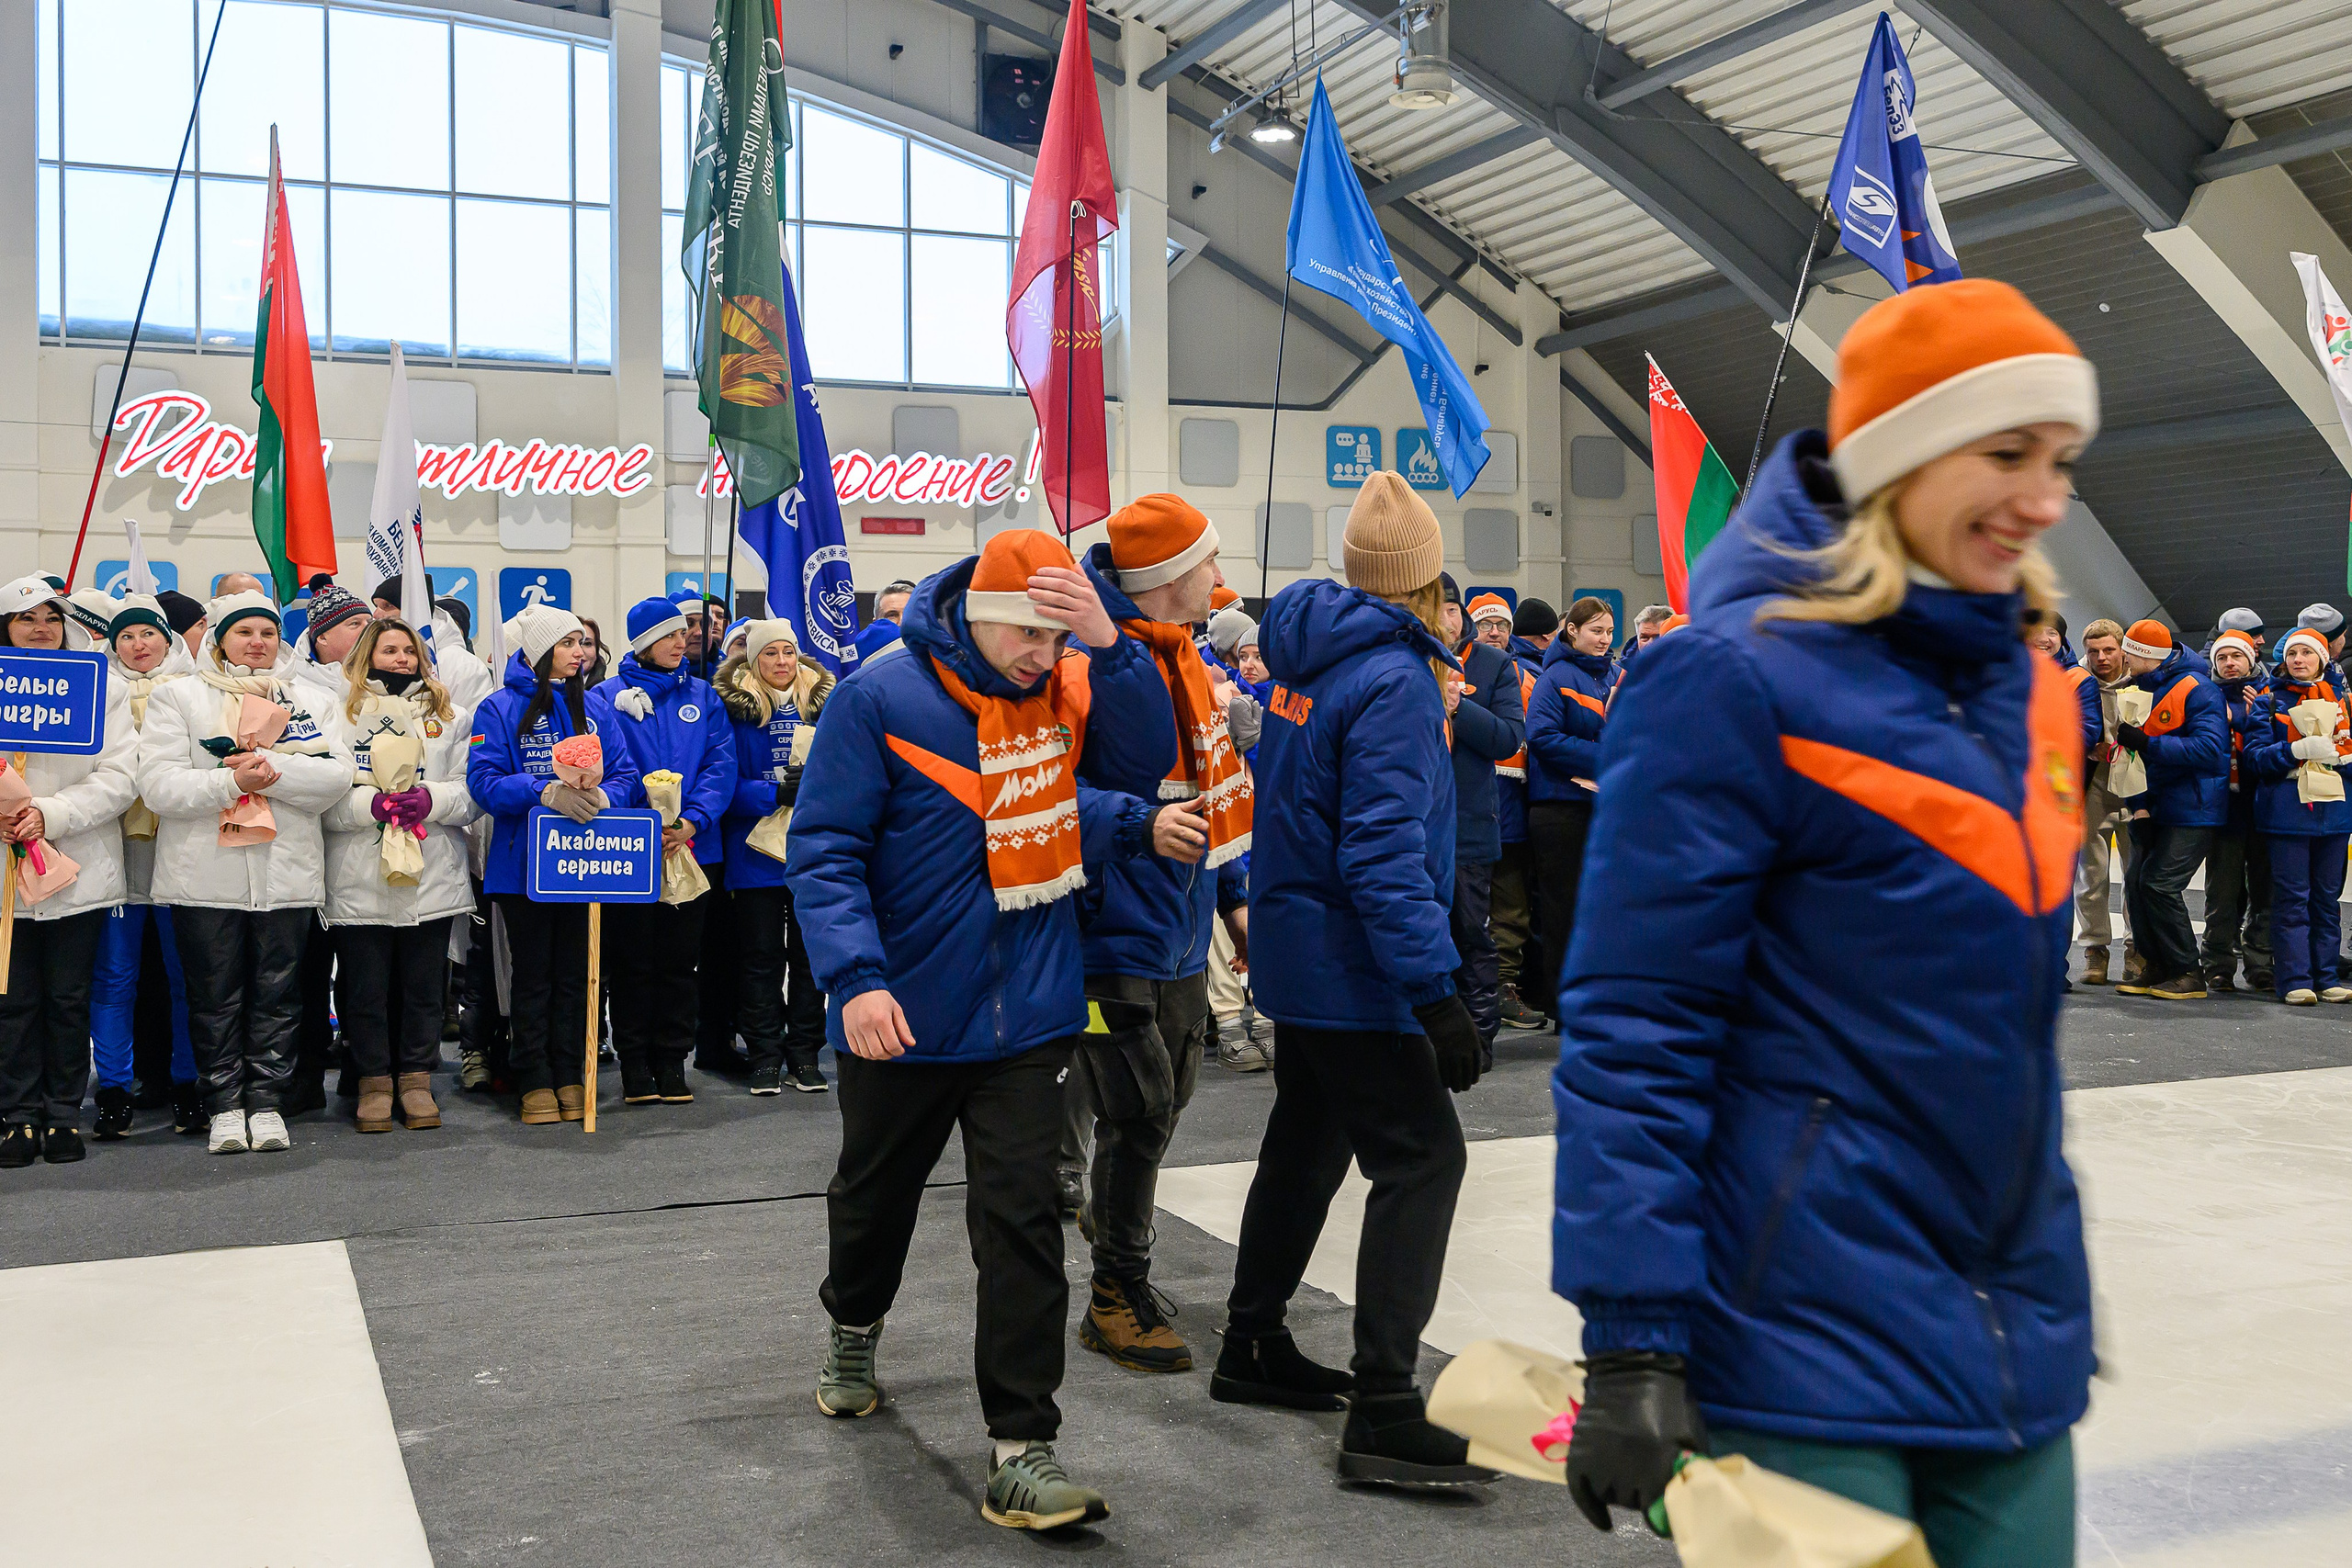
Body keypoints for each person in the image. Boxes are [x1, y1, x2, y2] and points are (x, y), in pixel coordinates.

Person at [1555, 277, 2097, 1564]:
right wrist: (1632, 1337)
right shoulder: (1729, 679)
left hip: (2014, 1327)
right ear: (1901, 457)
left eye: (2062, 461)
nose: (2044, 499)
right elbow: (1638, 1022)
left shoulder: (2035, 694)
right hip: (1798, 1334)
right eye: (2006, 454)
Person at [786, 529, 1178, 1530]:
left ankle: (1022, 1446)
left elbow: (1133, 763)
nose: (1046, 657)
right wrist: (856, 980)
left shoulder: (1058, 691)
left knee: (1023, 1225)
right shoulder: (879, 697)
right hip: (903, 1016)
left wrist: (1111, 648)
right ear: (980, 617)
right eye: (1031, 636)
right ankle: (853, 1321)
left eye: (1059, 639)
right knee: (873, 1201)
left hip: (1031, 1014)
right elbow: (825, 848)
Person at [1218, 471, 1494, 1489]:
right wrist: (1435, 991)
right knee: (1424, 1159)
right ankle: (1385, 1405)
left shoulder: (1311, 656)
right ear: (1425, 578)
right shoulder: (1392, 680)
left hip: (1304, 947)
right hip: (1355, 964)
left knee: (1306, 1144)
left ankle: (1251, 1340)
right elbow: (1381, 853)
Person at [1061, 496, 1251, 1378]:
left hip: (1177, 930)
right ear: (1170, 578)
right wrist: (1137, 824)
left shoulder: (1185, 658)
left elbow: (1213, 792)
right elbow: (1057, 785)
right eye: (1208, 563)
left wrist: (1235, 898)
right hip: (1108, 935)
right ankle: (1114, 1295)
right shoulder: (1094, 663)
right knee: (1138, 1112)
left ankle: (1117, 1244)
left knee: (1161, 1111)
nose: (1220, 578)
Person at [139, 591, 356, 1156]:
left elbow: (335, 778)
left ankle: (267, 1103)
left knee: (279, 996)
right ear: (219, 639)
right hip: (203, 878)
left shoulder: (313, 699)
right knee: (214, 998)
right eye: (244, 632)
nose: (257, 642)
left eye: (267, 632)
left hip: (287, 876)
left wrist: (270, 769)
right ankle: (225, 1107)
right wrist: (230, 783)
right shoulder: (179, 697)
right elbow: (159, 786)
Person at [467, 605, 641, 1124]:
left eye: (581, 643)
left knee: (578, 974)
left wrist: (604, 798)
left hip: (588, 862)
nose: (579, 652)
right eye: (567, 643)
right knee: (533, 975)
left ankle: (571, 1073)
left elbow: (627, 774)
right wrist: (543, 790)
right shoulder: (498, 708)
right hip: (523, 866)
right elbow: (483, 781)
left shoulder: (596, 707)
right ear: (540, 651)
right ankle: (534, 1076)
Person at [319, 616, 479, 1132]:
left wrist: (430, 800)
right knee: (364, 990)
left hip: (431, 874)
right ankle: (373, 1083)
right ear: (367, 654)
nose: (401, 659)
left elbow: (471, 789)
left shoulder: (450, 715)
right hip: (359, 872)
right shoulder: (337, 712)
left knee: (424, 988)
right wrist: (370, 805)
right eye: (389, 650)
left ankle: (415, 1080)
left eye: (409, 650)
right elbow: (323, 795)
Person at [0, 579, 137, 1166]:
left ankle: (62, 1114)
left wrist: (48, 814)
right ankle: (17, 1116)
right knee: (12, 1001)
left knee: (68, 998)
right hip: (5, 876)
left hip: (76, 870)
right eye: (25, 618)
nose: (40, 629)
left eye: (51, 618)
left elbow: (120, 776)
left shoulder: (101, 687)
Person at [587, 596, 735, 1106]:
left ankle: (672, 1061)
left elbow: (720, 764)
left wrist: (692, 820)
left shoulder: (703, 695)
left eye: (683, 632)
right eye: (670, 634)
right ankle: (635, 1064)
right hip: (629, 851)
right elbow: (605, 768)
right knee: (633, 962)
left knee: (679, 962)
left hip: (693, 848)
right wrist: (643, 823)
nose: (682, 640)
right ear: (644, 643)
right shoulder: (605, 698)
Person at [91, 593, 204, 1141]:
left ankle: (188, 1084)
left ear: (168, 637)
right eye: (127, 637)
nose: (139, 645)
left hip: (181, 857)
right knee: (115, 977)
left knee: (185, 978)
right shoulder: (97, 692)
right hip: (116, 857)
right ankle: (114, 1089)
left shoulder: (198, 690)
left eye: (149, 634)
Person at [716, 620, 832, 1094]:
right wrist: (772, 793)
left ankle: (805, 1053)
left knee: (809, 958)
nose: (781, 661)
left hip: (810, 850)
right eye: (770, 653)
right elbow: (722, 780)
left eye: (788, 651)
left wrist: (818, 786)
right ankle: (765, 1053)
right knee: (760, 958)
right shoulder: (733, 708)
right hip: (753, 852)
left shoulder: (823, 703)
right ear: (752, 659)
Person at [287, 575, 375, 1111]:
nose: (368, 630)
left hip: (361, 849)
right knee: (305, 971)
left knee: (362, 973)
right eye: (355, 623)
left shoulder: (385, 686)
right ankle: (303, 1075)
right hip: (300, 848)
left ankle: (363, 1071)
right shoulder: (292, 688)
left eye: (370, 621)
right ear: (321, 637)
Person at [2112, 619, 2229, 1001]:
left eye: (2128, 652)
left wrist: (2149, 743)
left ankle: (2187, 971)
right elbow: (2131, 759)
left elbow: (2210, 749)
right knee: (2136, 883)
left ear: (2146, 656)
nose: (2123, 659)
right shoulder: (2137, 690)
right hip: (2154, 805)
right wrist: (2139, 809)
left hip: (2194, 806)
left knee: (2160, 883)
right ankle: (2158, 965)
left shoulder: (2199, 689)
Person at [2245, 628, 2352, 1004]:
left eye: (2307, 653)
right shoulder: (2268, 700)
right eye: (2293, 653)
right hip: (2286, 814)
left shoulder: (2343, 701)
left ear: (2323, 658)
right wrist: (2293, 751)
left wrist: (2344, 757)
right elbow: (2254, 758)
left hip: (2335, 814)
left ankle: (2326, 976)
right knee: (2291, 900)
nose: (2298, 660)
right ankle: (2294, 979)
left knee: (2327, 900)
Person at [1522, 597, 1615, 1014]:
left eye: (1609, 631)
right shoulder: (1554, 678)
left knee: (1602, 910)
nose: (1604, 639)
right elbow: (1542, 738)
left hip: (1604, 808)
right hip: (1561, 810)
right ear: (1572, 631)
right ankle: (1565, 1007)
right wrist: (1606, 756)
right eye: (1596, 631)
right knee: (1563, 912)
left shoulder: (1615, 675)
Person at [1448, 591, 1526, 1053]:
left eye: (1450, 609)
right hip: (1409, 828)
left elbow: (1508, 738)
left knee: (1470, 934)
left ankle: (1477, 1038)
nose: (1444, 618)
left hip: (1468, 824)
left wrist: (1460, 707)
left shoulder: (1493, 665)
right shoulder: (1400, 656)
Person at [2199, 630, 2272, 992]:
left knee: (2265, 893)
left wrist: (2253, 715)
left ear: (2251, 659)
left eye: (2237, 657)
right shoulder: (2204, 695)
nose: (2230, 664)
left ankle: (2261, 964)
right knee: (2221, 895)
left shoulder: (2270, 694)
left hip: (2264, 810)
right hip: (2224, 811)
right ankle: (2218, 965)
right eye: (2222, 658)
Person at [1493, 600, 1554, 1027]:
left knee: (1511, 906)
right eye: (1487, 624)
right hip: (1471, 811)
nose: (1494, 632)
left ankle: (1502, 986)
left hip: (1515, 810)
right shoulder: (1449, 671)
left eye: (1502, 624)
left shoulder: (1529, 675)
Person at [2073, 618, 2140, 986]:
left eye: (2109, 650)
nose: (2101, 657)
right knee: (2092, 874)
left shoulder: (2142, 678)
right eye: (2094, 651)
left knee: (2136, 873)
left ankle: (2135, 948)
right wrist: (2087, 749)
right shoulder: (2077, 681)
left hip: (2135, 785)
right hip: (2094, 784)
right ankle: (2094, 948)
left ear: (2122, 649)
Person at [852, 579, 916, 663]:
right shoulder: (865, 668)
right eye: (892, 615)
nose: (901, 622)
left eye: (909, 613)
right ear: (876, 622)